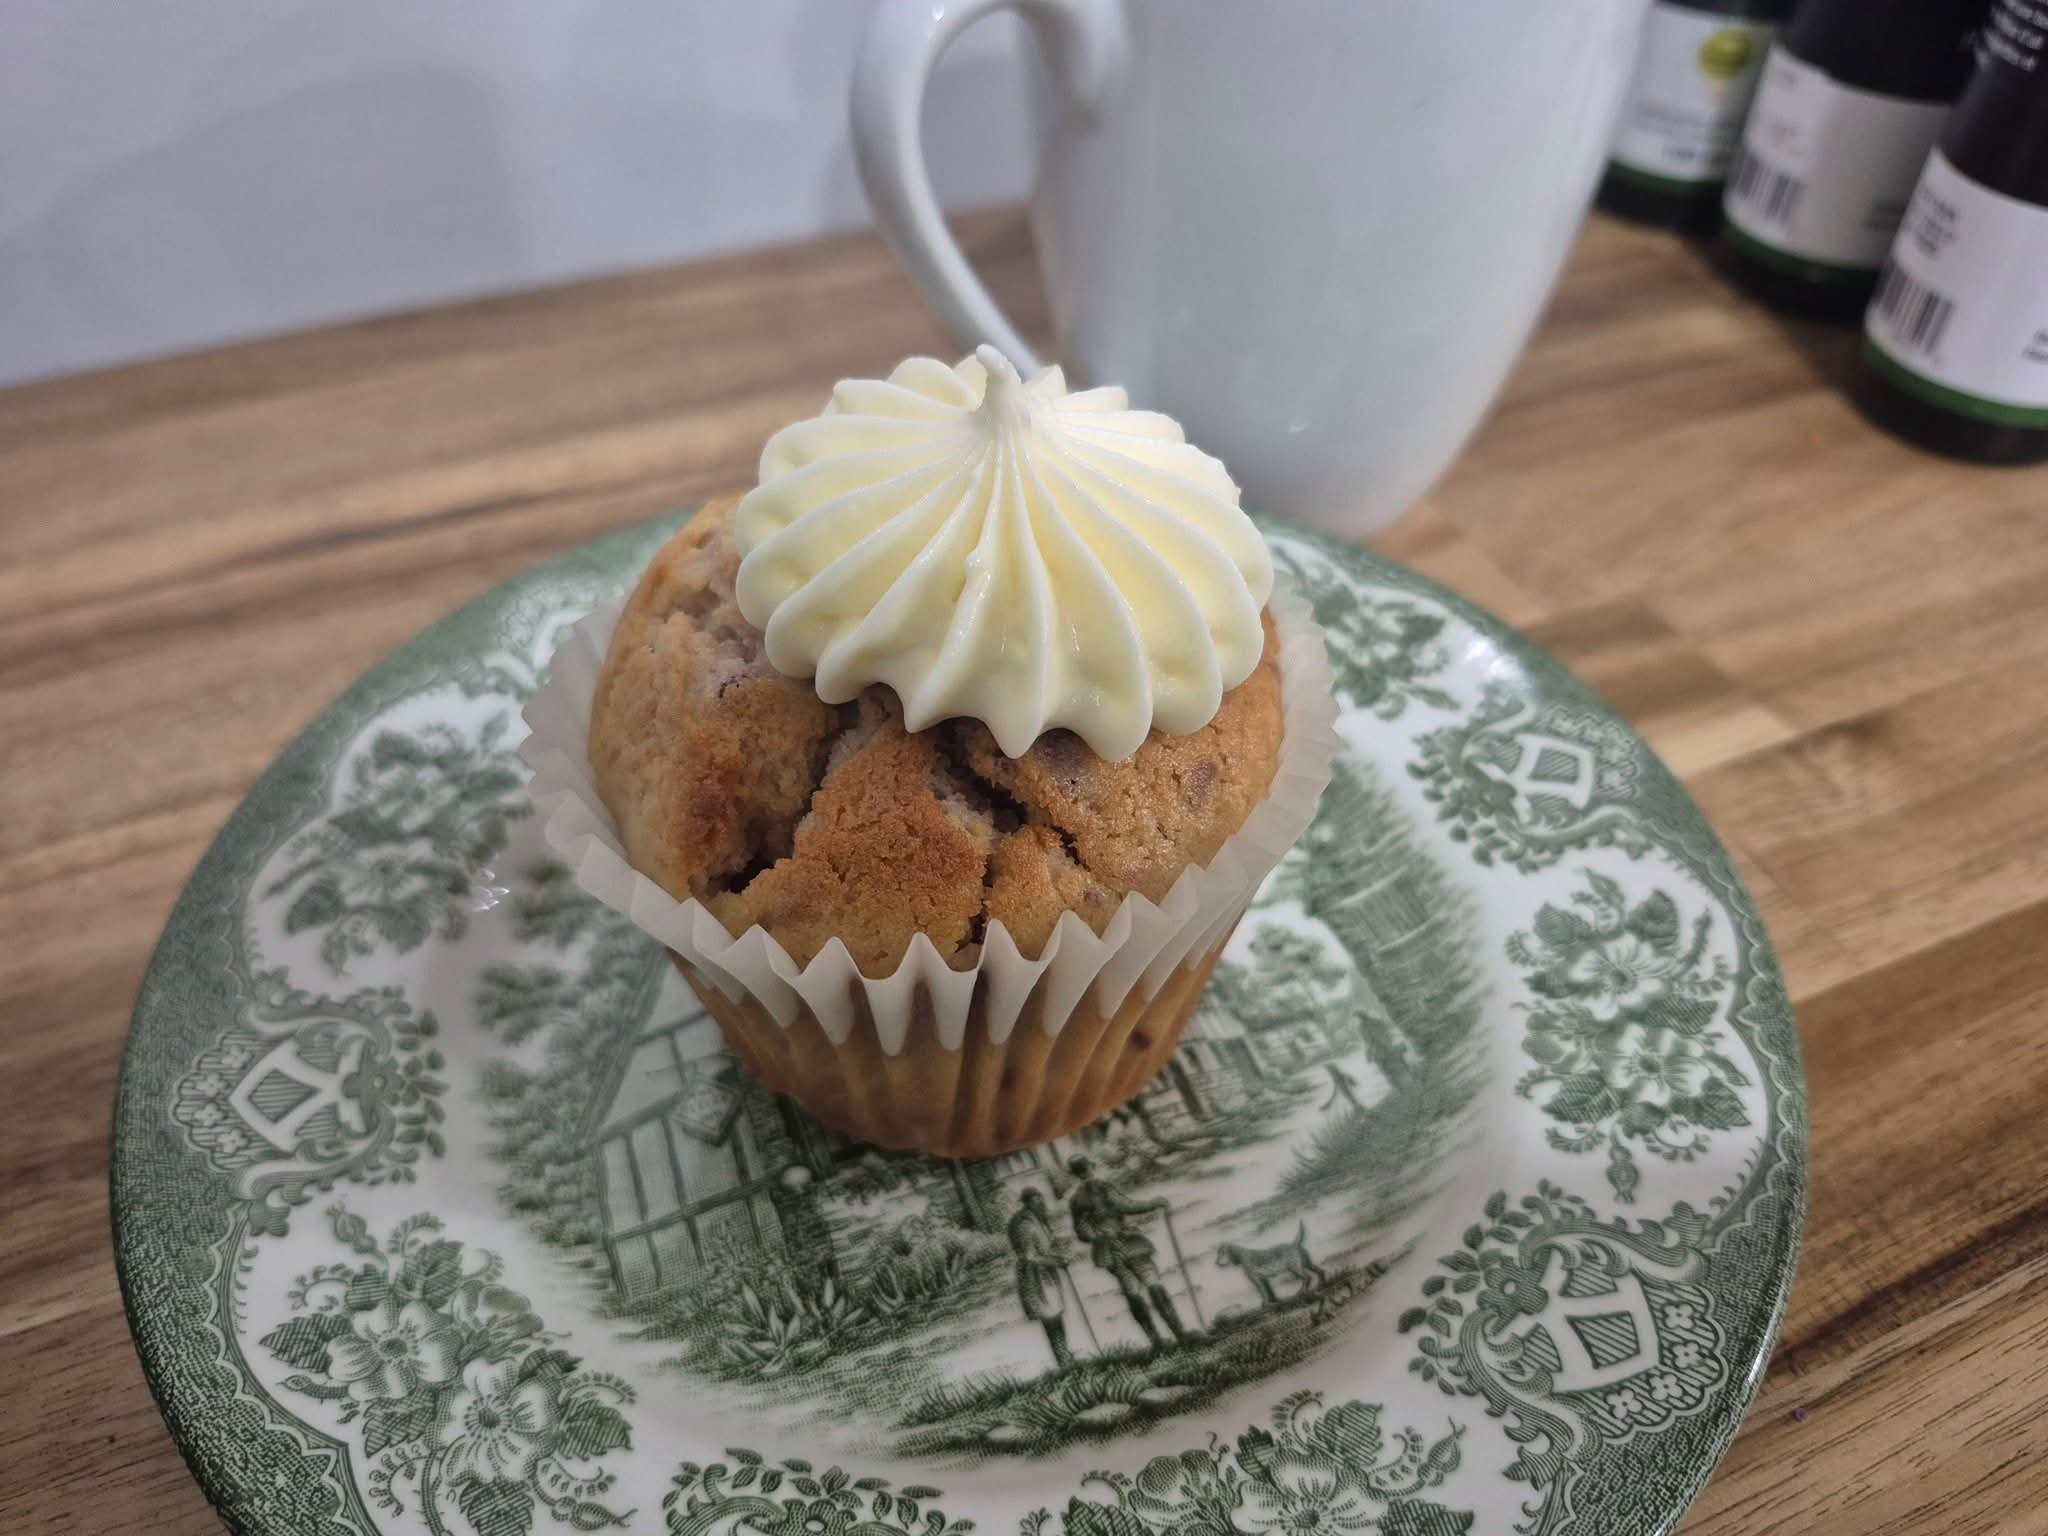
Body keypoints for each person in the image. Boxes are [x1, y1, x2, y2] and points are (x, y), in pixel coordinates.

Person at [1065, 1155, 1197, 1350]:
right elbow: (1126, 1206)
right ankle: (1180, 1334)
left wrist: (1097, 1236)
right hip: (1128, 1243)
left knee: (1132, 1291)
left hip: (1108, 1251)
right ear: (1091, 1166)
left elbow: (1081, 1231)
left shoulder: (1076, 1199)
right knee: (1153, 1283)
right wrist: (1155, 1202)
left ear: (1075, 1174)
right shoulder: (1103, 1187)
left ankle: (1156, 1341)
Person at [1007, 1188, 1076, 1368]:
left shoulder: (1036, 1219)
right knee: (1049, 1316)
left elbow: (1045, 1245)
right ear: (1028, 1202)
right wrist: (1056, 1262)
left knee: (1055, 1313)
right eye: (1037, 1201)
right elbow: (1030, 1256)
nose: (1041, 1204)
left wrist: (1060, 1249)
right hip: (1035, 1275)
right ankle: (1063, 1360)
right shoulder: (1024, 1224)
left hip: (1045, 1273)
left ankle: (1065, 1356)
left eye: (1041, 1200)